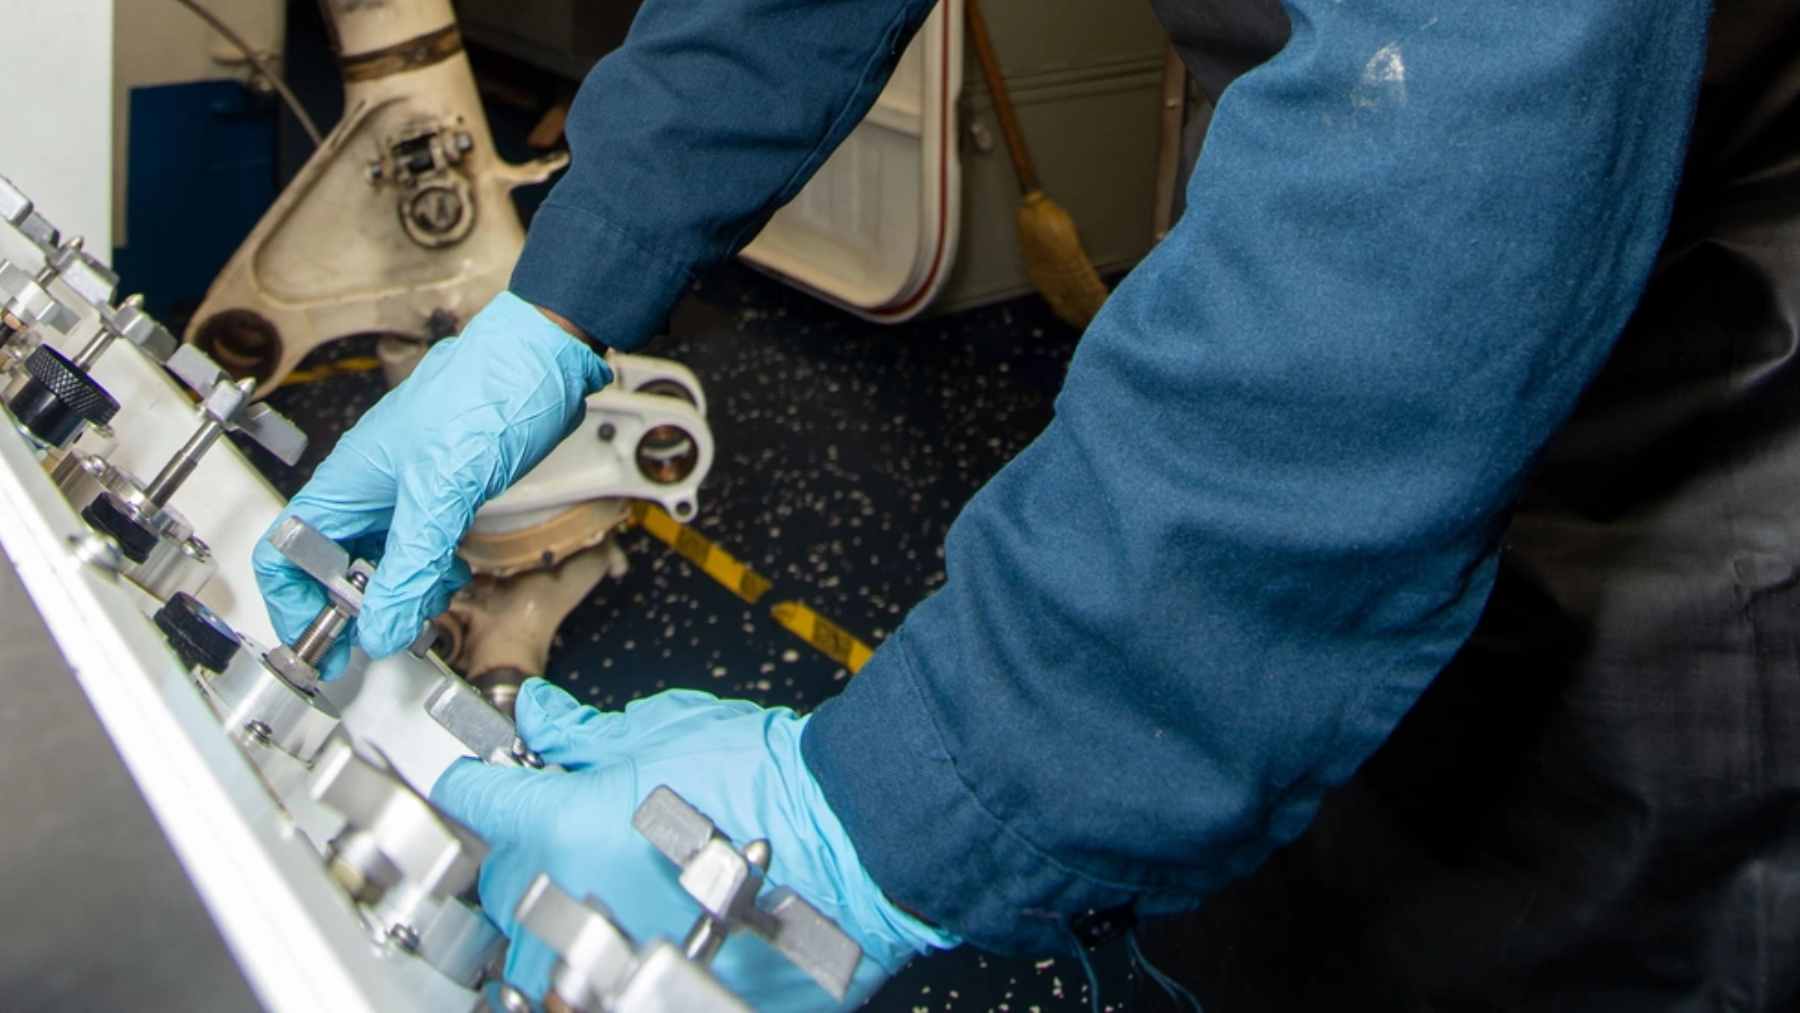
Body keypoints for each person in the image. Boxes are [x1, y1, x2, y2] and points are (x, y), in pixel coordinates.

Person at [255, 0, 1800, 1008]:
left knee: (1548, 910)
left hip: (1686, 311)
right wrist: (568, 287)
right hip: (1360, 178)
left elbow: (1470, 132)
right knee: (1254, 864)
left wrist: (911, 797)